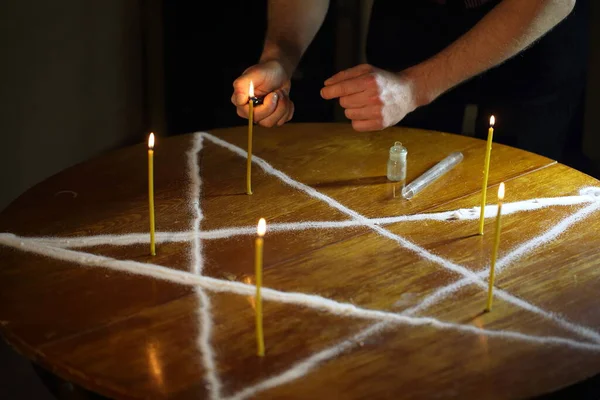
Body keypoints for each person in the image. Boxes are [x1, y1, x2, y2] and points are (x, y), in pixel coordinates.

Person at [231, 0, 589, 161]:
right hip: (411, 22)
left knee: (518, 215)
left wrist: (414, 87)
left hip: (528, 34)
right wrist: (280, 56)